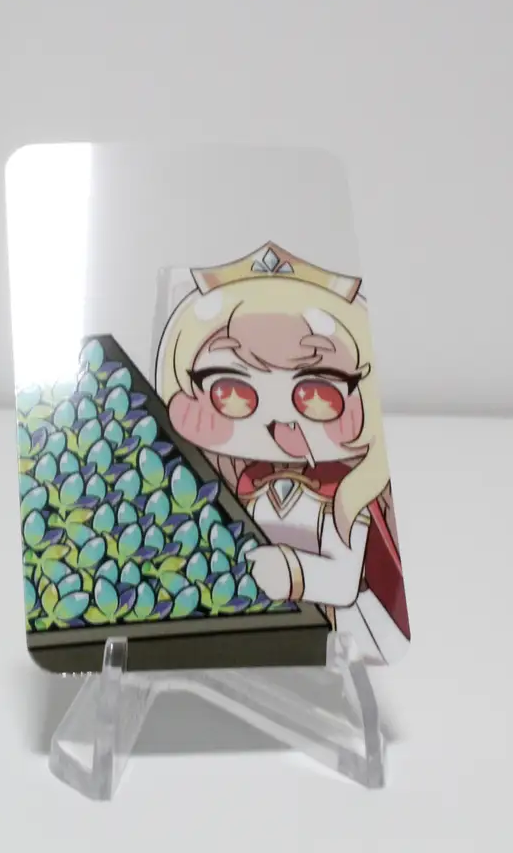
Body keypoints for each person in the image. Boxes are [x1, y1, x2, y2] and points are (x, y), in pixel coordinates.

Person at [154, 242, 410, 663]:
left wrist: (291, 573)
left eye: (316, 395)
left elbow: (344, 580)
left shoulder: (342, 496)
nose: (277, 417)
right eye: (232, 392)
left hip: (326, 631)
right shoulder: (237, 483)